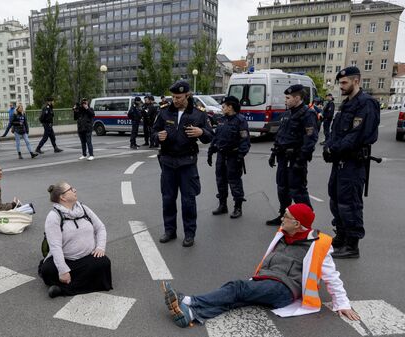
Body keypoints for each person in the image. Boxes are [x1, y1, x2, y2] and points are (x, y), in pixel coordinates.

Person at [160, 203, 360, 328]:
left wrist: (342, 303)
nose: (282, 218)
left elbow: (332, 277)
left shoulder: (319, 245)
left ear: (298, 224)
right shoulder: (283, 234)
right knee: (236, 300)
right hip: (267, 281)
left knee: (237, 288)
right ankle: (193, 315)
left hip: (284, 289)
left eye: (287, 216)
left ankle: (189, 300)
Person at [323, 67, 380, 259]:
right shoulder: (347, 104)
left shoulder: (366, 104)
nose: (341, 86)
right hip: (339, 161)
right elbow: (335, 131)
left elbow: (357, 136)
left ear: (356, 81)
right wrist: (328, 147)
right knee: (335, 199)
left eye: (344, 82)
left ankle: (352, 245)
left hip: (353, 163)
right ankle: (341, 236)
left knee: (350, 203)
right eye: (340, 83)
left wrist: (334, 149)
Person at [151, 81, 213, 247]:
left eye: (178, 97)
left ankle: (189, 233)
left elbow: (209, 135)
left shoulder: (199, 114)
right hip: (168, 162)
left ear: (187, 95)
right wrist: (158, 136)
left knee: (188, 201)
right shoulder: (164, 112)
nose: (175, 100)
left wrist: (201, 132)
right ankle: (170, 231)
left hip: (187, 163)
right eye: (173, 97)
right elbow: (153, 132)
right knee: (168, 199)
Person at [38, 181, 112, 298]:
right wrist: (63, 270)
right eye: (71, 189)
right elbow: (55, 246)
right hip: (66, 259)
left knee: (103, 263)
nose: (75, 190)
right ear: (63, 197)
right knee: (47, 270)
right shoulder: (53, 217)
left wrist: (100, 247)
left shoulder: (84, 209)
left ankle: (62, 289)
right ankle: (79, 283)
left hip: (86, 258)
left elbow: (100, 228)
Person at [266, 84, 318, 227]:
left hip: (296, 158)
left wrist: (301, 160)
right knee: (282, 188)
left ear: (297, 98)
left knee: (298, 191)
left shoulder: (308, 114)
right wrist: (273, 153)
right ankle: (284, 216)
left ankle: (307, 221)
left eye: (288, 98)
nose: (285, 100)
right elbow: (281, 135)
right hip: (283, 157)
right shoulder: (288, 113)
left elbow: (310, 139)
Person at [207, 96, 250, 218]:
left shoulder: (240, 120)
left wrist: (240, 156)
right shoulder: (221, 120)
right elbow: (216, 137)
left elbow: (245, 140)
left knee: (234, 181)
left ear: (230, 107)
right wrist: (211, 151)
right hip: (221, 155)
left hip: (233, 155)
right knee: (220, 180)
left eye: (224, 106)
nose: (222, 108)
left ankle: (238, 207)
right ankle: (222, 205)